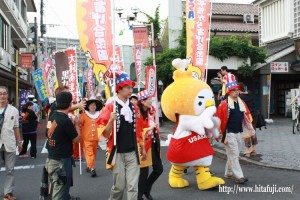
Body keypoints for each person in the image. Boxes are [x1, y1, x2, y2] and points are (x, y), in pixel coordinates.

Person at [97, 71, 146, 200]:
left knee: (133, 186)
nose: (131, 90)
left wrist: (143, 148)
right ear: (119, 89)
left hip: (132, 152)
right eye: (128, 87)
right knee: (118, 186)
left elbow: (139, 130)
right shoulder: (110, 108)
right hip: (117, 151)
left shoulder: (134, 107)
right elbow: (105, 134)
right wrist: (110, 121)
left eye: (131, 87)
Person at [216, 76, 254, 184]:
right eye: (234, 90)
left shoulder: (241, 102)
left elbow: (246, 115)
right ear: (229, 92)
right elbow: (218, 119)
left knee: (232, 154)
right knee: (234, 154)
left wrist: (249, 128)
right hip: (229, 133)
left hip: (239, 132)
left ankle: (228, 173)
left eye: (238, 90)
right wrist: (217, 133)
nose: (237, 92)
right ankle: (239, 176)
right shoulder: (224, 104)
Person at [45, 91, 81, 200]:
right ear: (70, 104)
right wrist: (77, 125)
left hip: (51, 157)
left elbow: (47, 133)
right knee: (59, 192)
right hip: (61, 161)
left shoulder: (52, 116)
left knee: (58, 187)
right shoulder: (65, 121)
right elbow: (77, 140)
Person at [136, 90, 163, 200]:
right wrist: (150, 128)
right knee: (143, 173)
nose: (151, 101)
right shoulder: (137, 113)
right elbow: (138, 131)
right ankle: (138, 196)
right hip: (143, 144)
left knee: (159, 169)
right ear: (142, 101)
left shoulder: (151, 110)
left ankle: (146, 189)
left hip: (153, 142)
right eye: (149, 100)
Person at [0, 86, 22, 200]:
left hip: (9, 141)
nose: (2, 96)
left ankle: (8, 192)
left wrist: (19, 142)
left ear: (7, 95)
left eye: (4, 93)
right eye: (0, 94)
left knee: (10, 169)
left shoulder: (13, 110)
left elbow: (16, 127)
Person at [75, 97, 102, 177]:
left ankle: (89, 166)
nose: (93, 106)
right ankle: (92, 168)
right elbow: (79, 123)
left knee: (93, 153)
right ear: (88, 107)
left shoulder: (99, 115)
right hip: (86, 138)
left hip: (96, 138)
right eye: (91, 105)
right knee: (90, 154)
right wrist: (77, 119)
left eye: (94, 105)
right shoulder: (84, 115)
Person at [238, 82, 258, 157]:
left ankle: (247, 151)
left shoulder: (240, 97)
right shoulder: (250, 93)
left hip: (246, 115)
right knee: (253, 131)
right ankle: (253, 149)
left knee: (247, 132)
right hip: (254, 114)